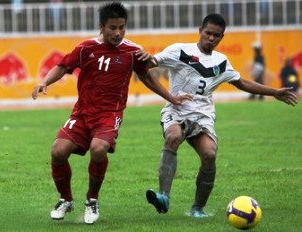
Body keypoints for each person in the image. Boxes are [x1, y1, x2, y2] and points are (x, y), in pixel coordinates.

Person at [31, 2, 191, 225]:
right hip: (82, 113)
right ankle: (65, 199)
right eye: (112, 28)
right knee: (58, 151)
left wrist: (172, 98)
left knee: (98, 149)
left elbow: (147, 77)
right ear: (101, 27)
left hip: (109, 114)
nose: (118, 33)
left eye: (122, 28)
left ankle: (92, 199)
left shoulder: (133, 51)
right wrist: (44, 82)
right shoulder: (86, 48)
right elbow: (63, 66)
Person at [136, 13, 298, 218]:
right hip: (176, 110)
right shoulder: (180, 50)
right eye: (208, 33)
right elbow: (151, 62)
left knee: (209, 154)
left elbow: (242, 82)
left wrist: (274, 92)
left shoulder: (221, 62)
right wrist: (144, 58)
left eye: (217, 35)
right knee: (173, 137)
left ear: (222, 37)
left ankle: (197, 208)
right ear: (200, 31)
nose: (211, 38)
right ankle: (163, 196)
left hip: (202, 116)